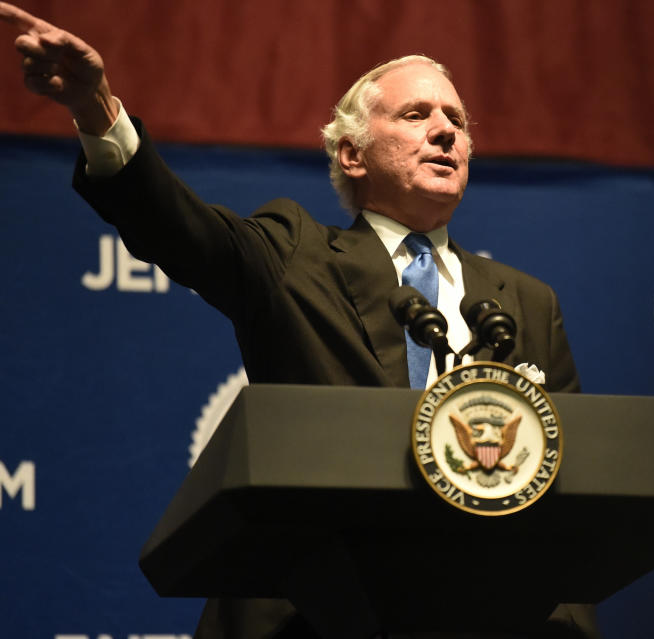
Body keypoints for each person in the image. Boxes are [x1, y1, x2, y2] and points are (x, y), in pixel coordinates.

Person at [1, 3, 597, 638]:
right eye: (416, 115)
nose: (447, 131)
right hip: (311, 615)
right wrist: (98, 110)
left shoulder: (527, 303)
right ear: (352, 154)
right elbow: (180, 230)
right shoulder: (297, 254)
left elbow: (568, 495)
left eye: (456, 119)